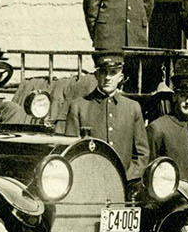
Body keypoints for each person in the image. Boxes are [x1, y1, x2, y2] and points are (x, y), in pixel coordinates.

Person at [56, 49, 150, 182]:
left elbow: (142, 154)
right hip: (89, 183)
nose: (107, 78)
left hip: (125, 184)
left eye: (113, 73)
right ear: (96, 75)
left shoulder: (132, 108)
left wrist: (127, 177)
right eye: (103, 72)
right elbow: (71, 152)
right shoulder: (79, 106)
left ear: (121, 77)